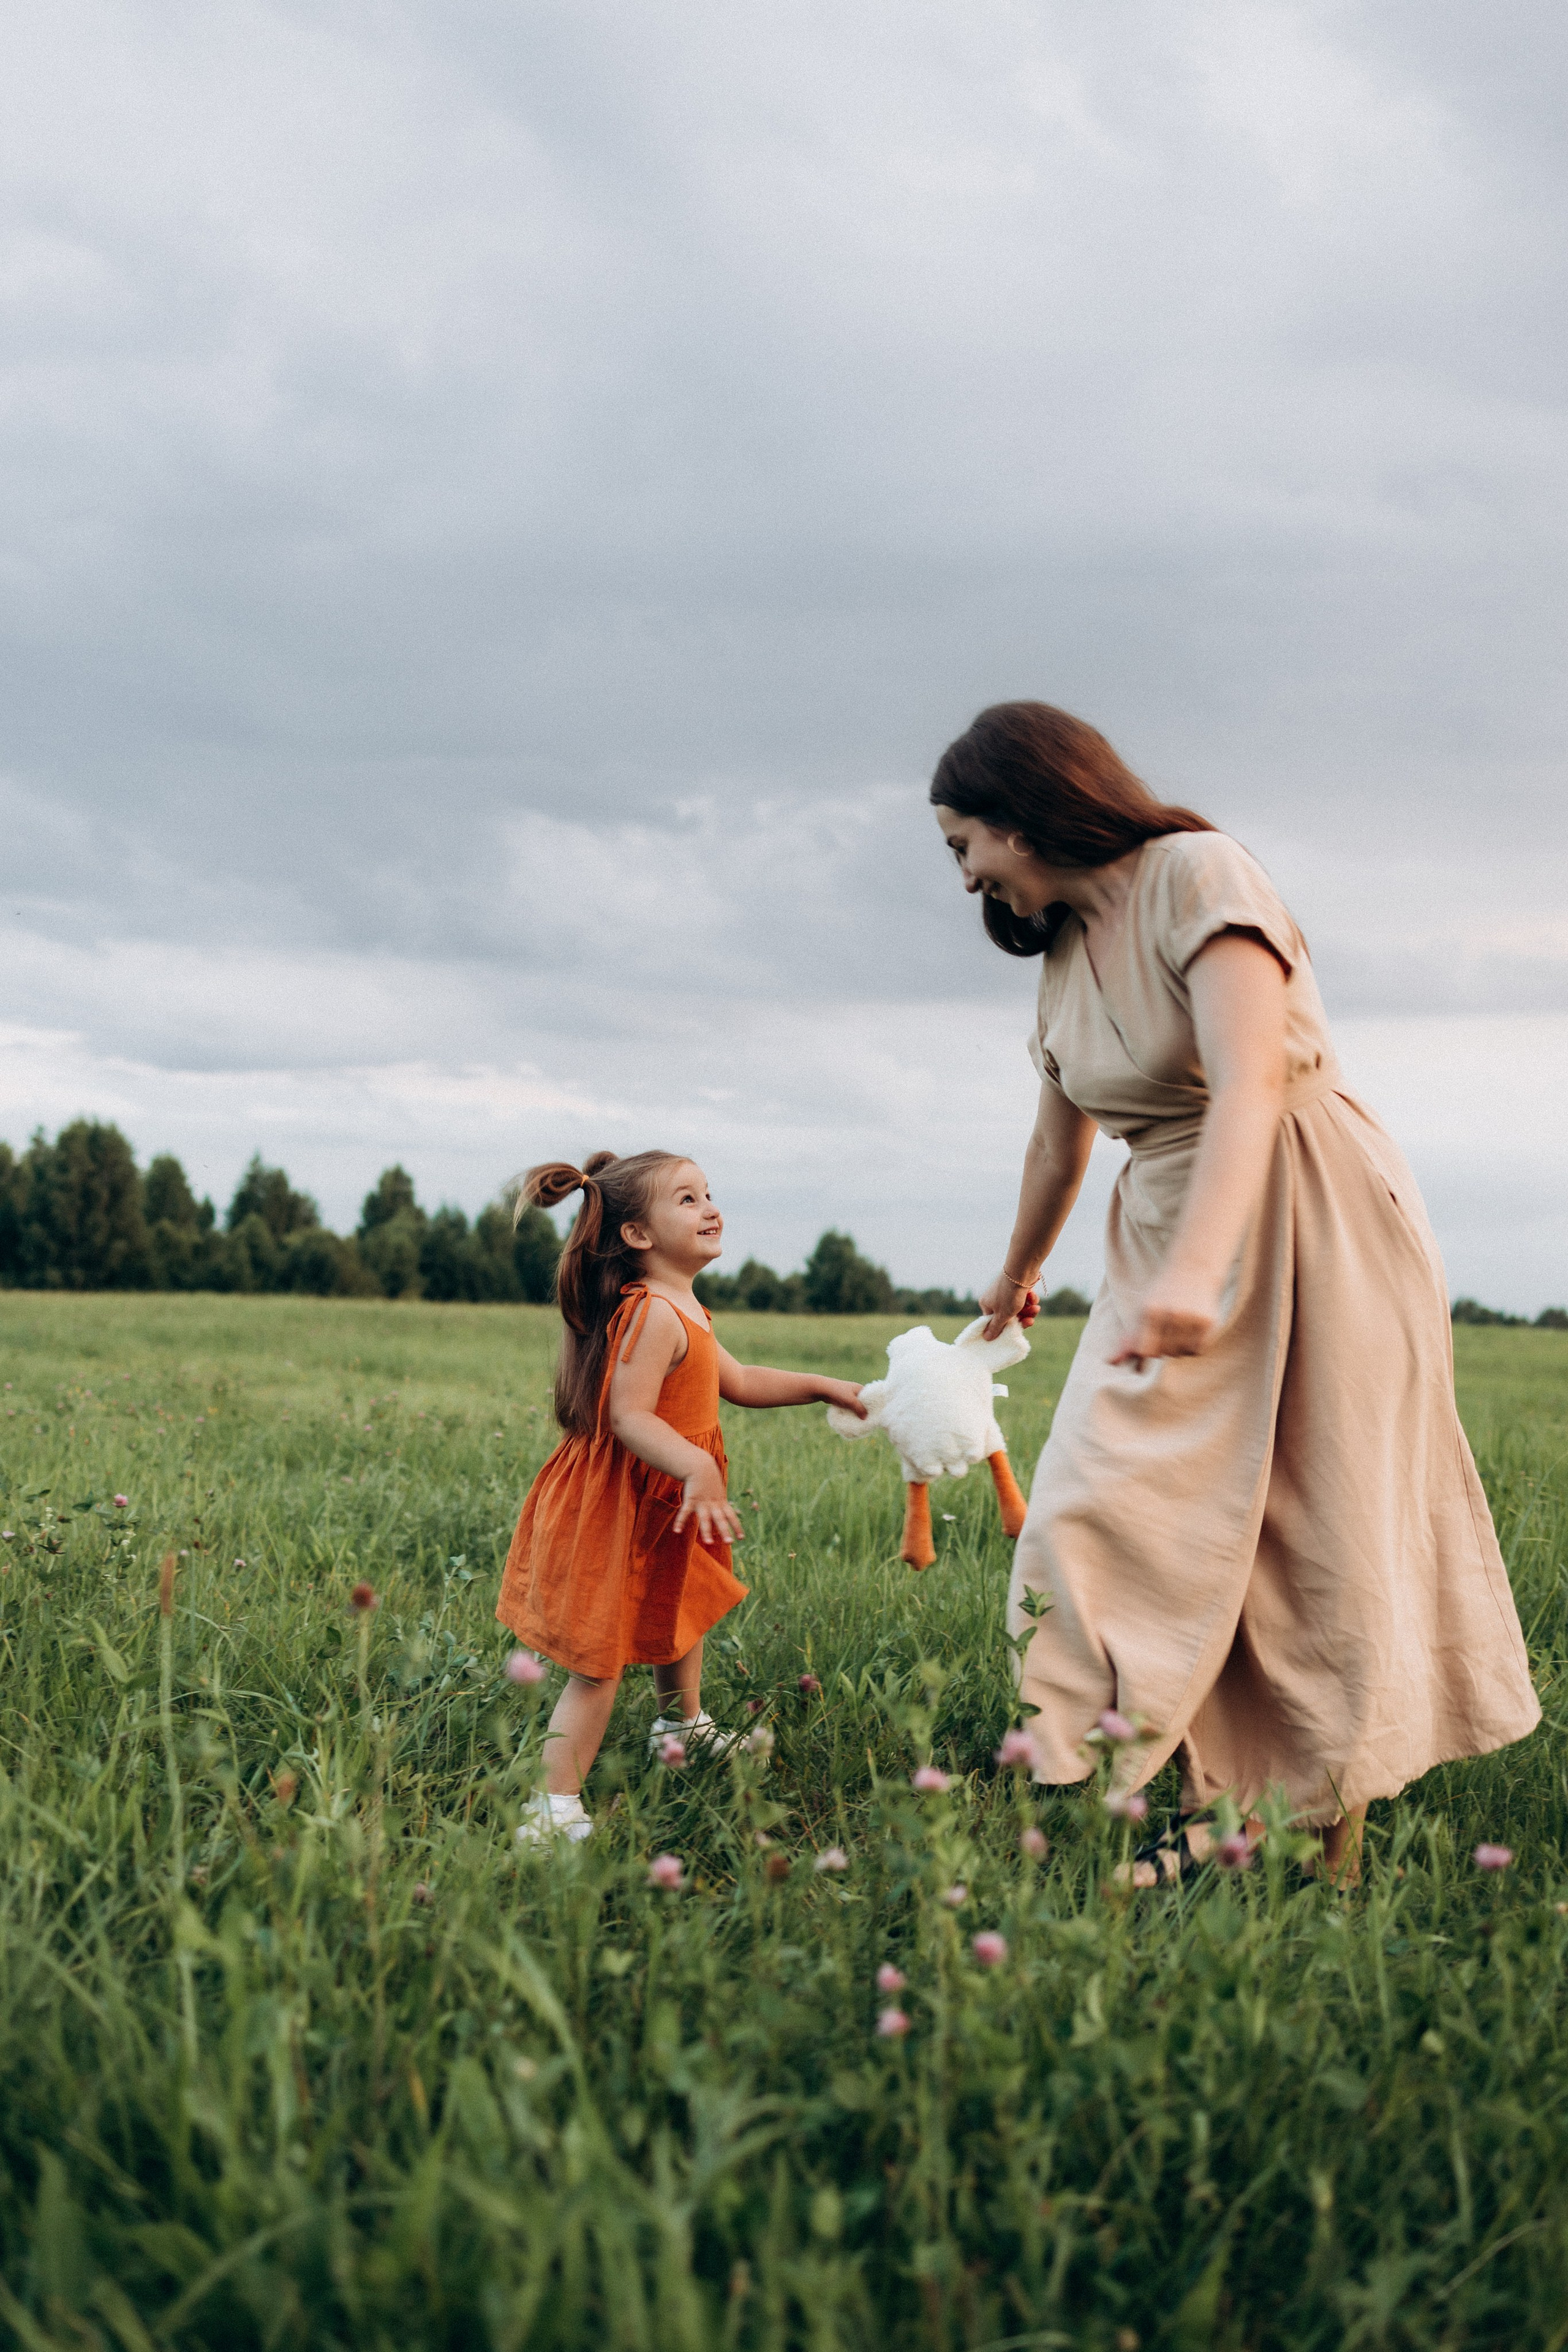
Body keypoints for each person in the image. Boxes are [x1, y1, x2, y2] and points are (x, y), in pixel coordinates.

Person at [932, 701, 1539, 1879]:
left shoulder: (1200, 875)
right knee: (1097, 1514)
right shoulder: (1060, 959)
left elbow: (1252, 1088)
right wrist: (1013, 1282)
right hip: (1165, 1234)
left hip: (1311, 1216)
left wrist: (1200, 1279)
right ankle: (1192, 1792)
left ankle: (1319, 1840)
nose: (965, 878)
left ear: (1022, 811)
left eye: (965, 845)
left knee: (1319, 1527)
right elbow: (1058, 1148)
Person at [497, 1150, 865, 1844]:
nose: (711, 1209)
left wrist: (822, 1385)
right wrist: (697, 1466)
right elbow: (629, 1416)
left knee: (681, 1611)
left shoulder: (686, 1305)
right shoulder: (651, 1314)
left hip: (666, 1498)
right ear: (637, 1235)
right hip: (621, 1502)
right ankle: (550, 1811)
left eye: (709, 1194)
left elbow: (742, 1380)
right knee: (597, 1663)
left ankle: (681, 1726)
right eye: (688, 1200)